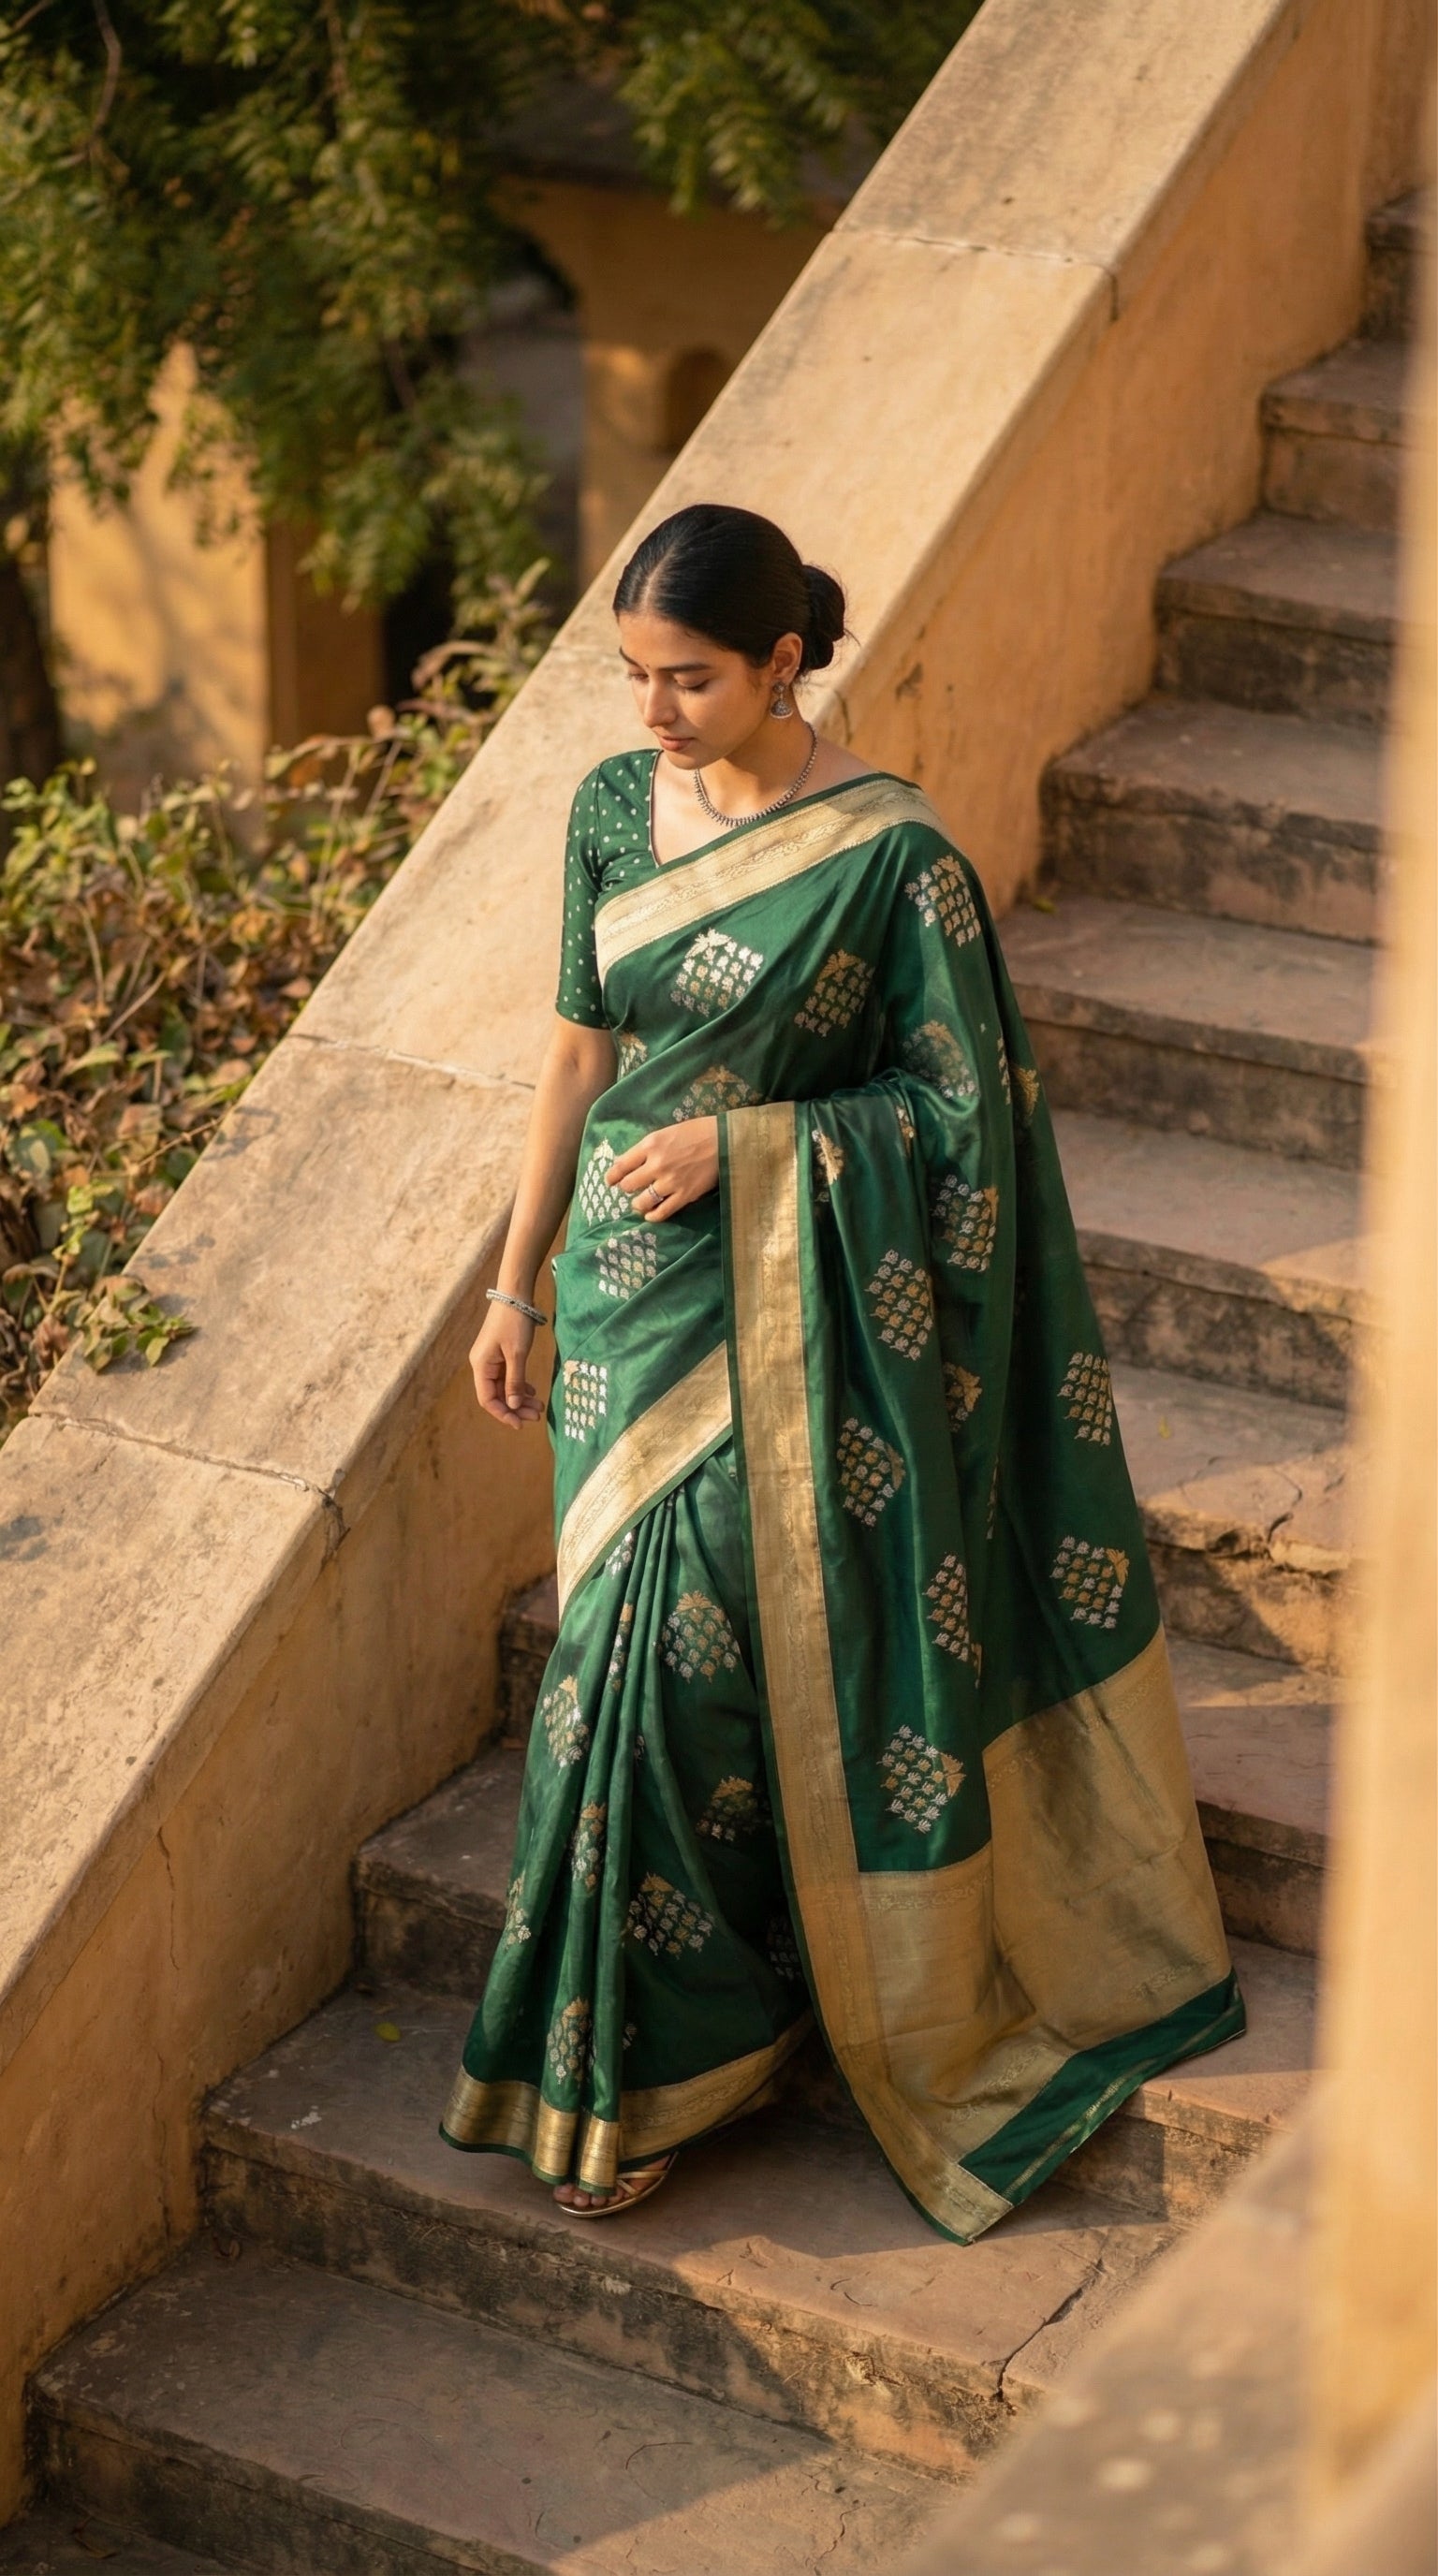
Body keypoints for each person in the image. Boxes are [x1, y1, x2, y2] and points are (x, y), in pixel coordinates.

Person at [439, 501, 1242, 2230]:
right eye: (637, 679)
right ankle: (671, 2031)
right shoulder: (604, 812)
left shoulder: (894, 861)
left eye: (692, 681)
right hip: (624, 1310)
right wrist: (515, 1289)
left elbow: (966, 1124)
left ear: (786, 661)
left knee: (669, 1676)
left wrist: (752, 1151)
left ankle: (667, 2061)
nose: (652, 714)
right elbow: (579, 1053)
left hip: (796, 1314)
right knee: (599, 1665)